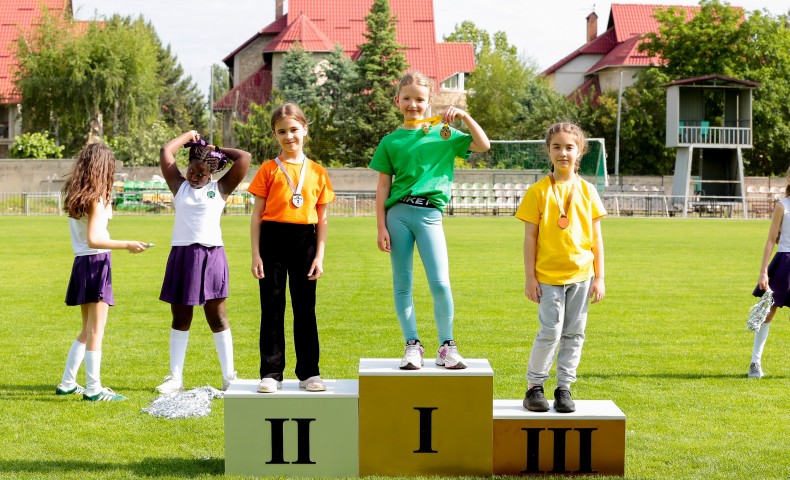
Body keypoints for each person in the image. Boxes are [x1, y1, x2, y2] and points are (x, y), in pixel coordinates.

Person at [370, 71, 490, 370]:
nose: (413, 104)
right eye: (407, 98)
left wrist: (462, 115)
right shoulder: (390, 141)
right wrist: (381, 225)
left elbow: (483, 145)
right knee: (402, 284)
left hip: (429, 215)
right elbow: (384, 186)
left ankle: (447, 346)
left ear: (430, 101)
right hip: (397, 215)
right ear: (397, 100)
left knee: (440, 283)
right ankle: (412, 345)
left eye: (420, 99)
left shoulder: (445, 134)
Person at [517, 122, 606, 413]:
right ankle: (534, 387)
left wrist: (600, 277)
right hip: (548, 278)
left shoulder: (588, 190)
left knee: (575, 333)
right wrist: (530, 277)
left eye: (569, 147)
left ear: (580, 151)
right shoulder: (538, 191)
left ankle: (564, 388)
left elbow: (596, 237)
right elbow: (530, 237)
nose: (563, 152)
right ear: (548, 151)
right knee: (550, 332)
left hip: (582, 275)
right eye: (557, 146)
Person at [155, 131, 251, 394]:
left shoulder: (219, 189)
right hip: (182, 256)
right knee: (180, 317)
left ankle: (229, 377)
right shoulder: (179, 186)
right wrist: (188, 137)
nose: (196, 177)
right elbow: (166, 152)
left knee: (217, 318)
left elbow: (244, 158)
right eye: (192, 171)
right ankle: (175, 378)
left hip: (212, 257)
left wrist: (215, 149)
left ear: (212, 174)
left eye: (202, 174)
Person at [248, 103, 335, 393]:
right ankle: (271, 373)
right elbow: (256, 215)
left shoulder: (318, 172)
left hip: (305, 242)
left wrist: (319, 256)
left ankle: (309, 372)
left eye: (294, 129)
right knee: (271, 309)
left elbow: (322, 220)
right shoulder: (268, 170)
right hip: (272, 240)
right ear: (274, 135)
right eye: (282, 131)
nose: (289, 136)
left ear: (305, 130)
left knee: (305, 310)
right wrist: (256, 253)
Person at [57, 143, 150, 402]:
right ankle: (94, 389)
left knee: (87, 330)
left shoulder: (79, 195)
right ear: (102, 167)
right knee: (96, 330)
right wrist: (128, 245)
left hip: (82, 264)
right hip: (95, 263)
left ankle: (67, 383)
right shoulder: (95, 198)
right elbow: (94, 239)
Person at [749, 168, 790, 379]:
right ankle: (755, 363)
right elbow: (770, 240)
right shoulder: (782, 206)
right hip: (784, 261)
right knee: (768, 312)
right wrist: (763, 271)